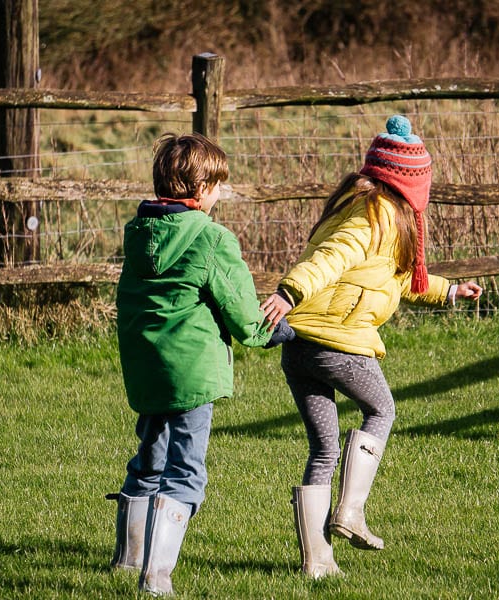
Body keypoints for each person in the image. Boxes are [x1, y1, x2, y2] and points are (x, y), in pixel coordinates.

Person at [261, 115, 483, 578]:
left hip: (300, 346)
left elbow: (399, 280)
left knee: (323, 448)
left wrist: (448, 290)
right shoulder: (374, 215)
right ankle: (350, 512)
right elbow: (330, 258)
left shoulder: (359, 206)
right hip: (337, 341)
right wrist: (289, 291)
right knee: (382, 410)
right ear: (409, 182)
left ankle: (317, 563)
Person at [111, 132, 294, 596]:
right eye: (217, 186)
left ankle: (126, 561)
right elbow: (241, 309)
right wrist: (275, 332)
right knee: (186, 470)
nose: (219, 195)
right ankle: (156, 576)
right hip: (191, 373)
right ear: (202, 190)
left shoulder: (138, 233)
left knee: (149, 459)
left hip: (146, 368)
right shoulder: (211, 239)